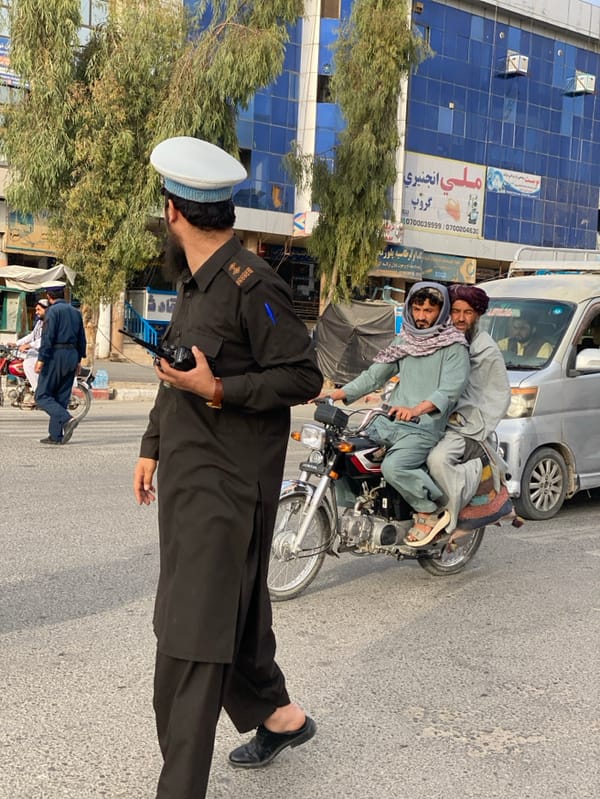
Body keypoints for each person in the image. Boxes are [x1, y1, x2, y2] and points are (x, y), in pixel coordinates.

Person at [133, 136, 322, 799]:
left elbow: (303, 374)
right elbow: (176, 367)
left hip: (228, 488)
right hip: (186, 478)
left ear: (172, 211)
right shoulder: (193, 281)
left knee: (188, 637)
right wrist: (151, 443)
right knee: (227, 613)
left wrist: (219, 392)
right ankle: (281, 715)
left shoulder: (252, 285)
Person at [318, 281, 470, 547]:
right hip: (389, 422)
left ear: (442, 311)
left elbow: (449, 391)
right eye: (417, 308)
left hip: (424, 426)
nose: (422, 316)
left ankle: (430, 509)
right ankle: (363, 512)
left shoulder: (454, 347)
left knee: (394, 466)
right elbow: (374, 375)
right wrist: (335, 395)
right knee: (344, 454)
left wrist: (416, 410)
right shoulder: (405, 341)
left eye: (429, 310)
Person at [427, 285, 513, 537]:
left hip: (466, 426)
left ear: (477, 316)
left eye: (467, 312)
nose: (460, 318)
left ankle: (450, 519)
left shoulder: (485, 350)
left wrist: (463, 420)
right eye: (455, 311)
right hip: (430, 420)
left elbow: (494, 395)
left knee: (438, 460)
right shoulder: (439, 340)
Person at [34, 287, 86, 445]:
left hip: (56, 355)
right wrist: (79, 360)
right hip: (72, 356)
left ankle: (67, 419)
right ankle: (56, 435)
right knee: (61, 397)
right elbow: (81, 339)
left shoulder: (53, 311)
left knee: (42, 396)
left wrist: (41, 359)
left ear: (49, 296)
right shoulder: (76, 312)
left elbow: (48, 337)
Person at [15, 298, 48, 400]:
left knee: (28, 364)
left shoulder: (50, 322)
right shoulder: (39, 322)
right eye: (36, 310)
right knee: (18, 358)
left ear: (46, 310)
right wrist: (16, 343)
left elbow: (44, 340)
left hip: (45, 352)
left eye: (39, 310)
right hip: (37, 351)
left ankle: (38, 392)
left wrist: (29, 345)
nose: (36, 312)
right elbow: (32, 335)